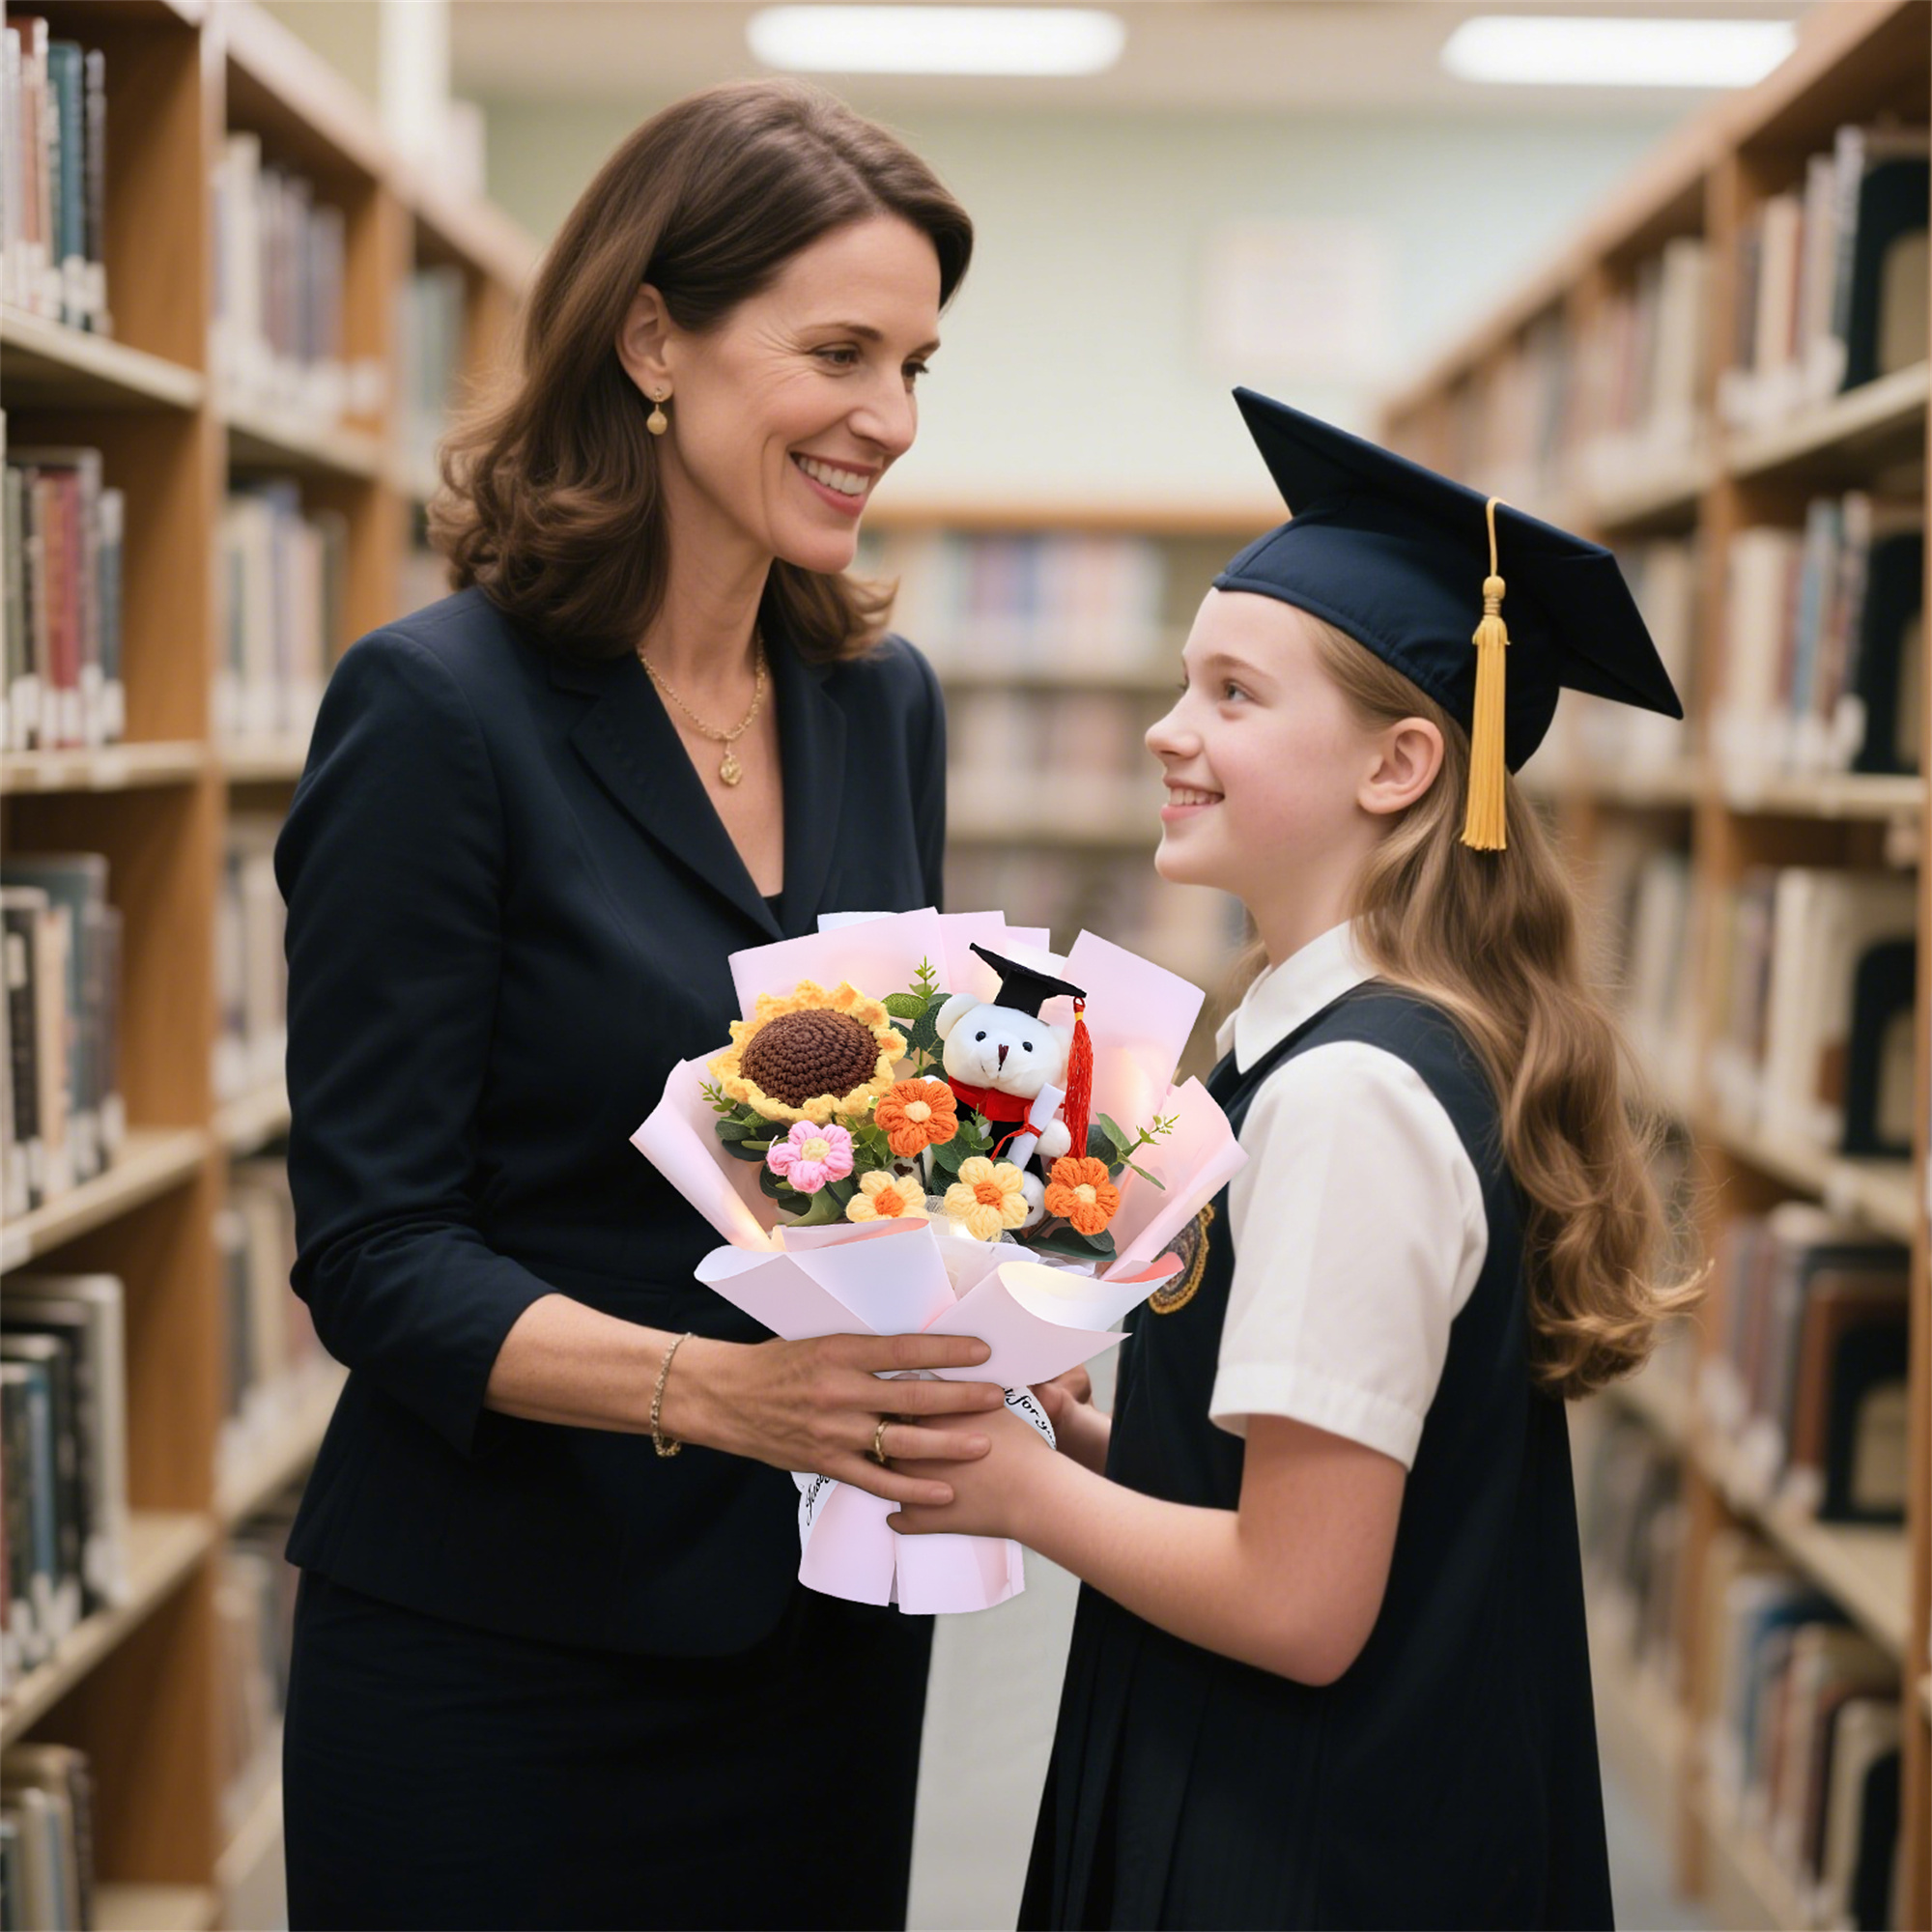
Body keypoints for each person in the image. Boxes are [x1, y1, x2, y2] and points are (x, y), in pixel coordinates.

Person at [275, 81, 1001, 1932]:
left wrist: (999, 1286)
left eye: (917, 363)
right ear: (651, 335)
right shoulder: (439, 712)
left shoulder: (879, 705)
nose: (888, 420)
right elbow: (376, 1252)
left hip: (826, 1638)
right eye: (837, 351)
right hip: (499, 1660)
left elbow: (867, 1145)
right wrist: (723, 1396)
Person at [889, 390, 1706, 1929]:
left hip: (1307, 1847)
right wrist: (1087, 1454)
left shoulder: (1351, 1101)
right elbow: (1316, 1504)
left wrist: (1016, 1491)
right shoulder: (1339, 1045)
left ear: (1399, 766)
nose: (1165, 728)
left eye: (1233, 696)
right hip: (1327, 1800)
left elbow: (1301, 1604)